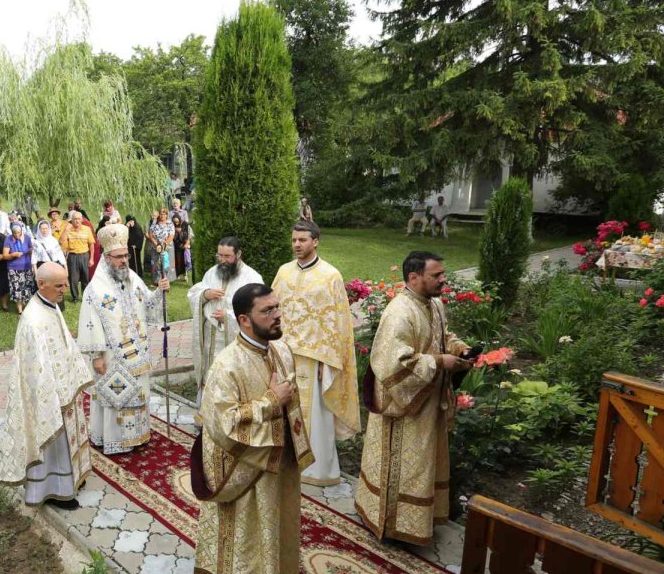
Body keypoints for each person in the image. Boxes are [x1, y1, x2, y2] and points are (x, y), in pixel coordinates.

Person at [190, 283, 309, 574]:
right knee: (246, 544)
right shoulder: (227, 365)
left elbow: (291, 400)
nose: (277, 315)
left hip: (279, 467)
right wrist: (271, 402)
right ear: (244, 320)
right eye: (267, 311)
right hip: (246, 476)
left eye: (277, 307)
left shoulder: (281, 350)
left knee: (279, 537)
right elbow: (222, 425)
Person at [355, 251, 471, 546]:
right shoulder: (399, 312)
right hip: (403, 407)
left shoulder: (435, 304)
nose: (443, 279)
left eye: (443, 273)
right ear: (414, 277)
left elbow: (443, 336)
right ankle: (392, 524)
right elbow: (393, 364)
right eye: (437, 275)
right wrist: (440, 362)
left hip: (426, 401)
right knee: (404, 468)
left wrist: (459, 349)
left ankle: (419, 521)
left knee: (422, 466)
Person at [270, 221, 361, 487]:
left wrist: (328, 361)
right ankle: (284, 461)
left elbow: (339, 322)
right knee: (282, 408)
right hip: (284, 354)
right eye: (294, 240)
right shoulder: (284, 272)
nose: (297, 244)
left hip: (314, 360)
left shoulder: (330, 276)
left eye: (302, 240)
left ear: (315, 241)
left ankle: (316, 470)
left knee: (316, 417)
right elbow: (272, 309)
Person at [0, 263, 94, 508]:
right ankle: (54, 490)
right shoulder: (32, 320)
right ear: (41, 284)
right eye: (59, 285)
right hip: (49, 394)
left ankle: (71, 479)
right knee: (53, 443)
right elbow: (34, 369)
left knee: (68, 439)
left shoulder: (50, 304)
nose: (65, 289)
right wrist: (51, 394)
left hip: (64, 386)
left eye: (65, 283)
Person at [77, 224, 169, 455]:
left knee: (138, 393)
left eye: (126, 255)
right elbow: (90, 324)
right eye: (119, 257)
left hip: (137, 353)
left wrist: (160, 291)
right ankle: (115, 440)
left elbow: (147, 303)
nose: (124, 261)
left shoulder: (133, 278)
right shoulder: (94, 289)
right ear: (107, 257)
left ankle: (138, 435)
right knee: (116, 397)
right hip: (111, 356)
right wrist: (96, 356)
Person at [186, 237, 264, 399]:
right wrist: (205, 295)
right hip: (210, 343)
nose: (222, 260)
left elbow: (258, 312)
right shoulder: (212, 273)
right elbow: (194, 294)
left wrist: (229, 318)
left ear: (238, 254)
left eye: (227, 256)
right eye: (219, 255)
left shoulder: (252, 278)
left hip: (233, 345)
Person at [60, 211, 94, 302]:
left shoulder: (87, 229)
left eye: (79, 219)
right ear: (72, 220)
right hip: (72, 256)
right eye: (75, 219)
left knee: (85, 278)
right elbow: (61, 242)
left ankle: (85, 297)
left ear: (82, 219)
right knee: (73, 279)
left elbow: (91, 244)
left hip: (84, 255)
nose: (77, 221)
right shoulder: (68, 229)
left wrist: (91, 259)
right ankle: (75, 297)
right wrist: (66, 230)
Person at [4, 222, 36, 314]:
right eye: (15, 233)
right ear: (12, 232)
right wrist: (13, 255)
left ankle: (27, 308)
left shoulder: (27, 238)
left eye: (18, 233)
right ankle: (20, 310)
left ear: (21, 231)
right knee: (17, 288)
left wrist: (24, 252)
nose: (17, 235)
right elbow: (5, 255)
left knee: (27, 287)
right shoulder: (8, 239)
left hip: (26, 266)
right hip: (13, 268)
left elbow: (31, 249)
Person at [147, 208, 175, 279]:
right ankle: (157, 280)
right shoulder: (155, 223)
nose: (162, 215)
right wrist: (157, 244)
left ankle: (167, 279)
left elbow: (171, 235)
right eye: (161, 214)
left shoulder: (170, 224)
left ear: (167, 215)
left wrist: (164, 244)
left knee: (166, 264)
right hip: (156, 246)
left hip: (167, 247)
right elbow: (151, 234)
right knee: (156, 263)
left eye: (164, 214)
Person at [172, 215, 192, 282]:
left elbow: (188, 236)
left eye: (177, 222)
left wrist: (186, 244)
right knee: (176, 261)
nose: (176, 223)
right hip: (175, 246)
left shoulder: (185, 224)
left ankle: (184, 274)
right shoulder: (172, 226)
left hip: (183, 245)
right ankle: (177, 275)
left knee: (184, 261)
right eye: (175, 222)